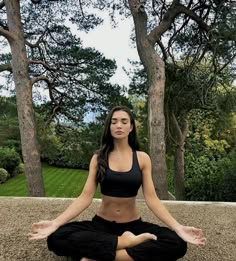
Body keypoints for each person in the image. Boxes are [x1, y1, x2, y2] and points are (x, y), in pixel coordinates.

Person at [28, 106, 206, 261]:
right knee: (57, 237)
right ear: (109, 127)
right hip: (101, 225)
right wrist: (55, 223)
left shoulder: (142, 159)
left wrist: (178, 227)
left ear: (131, 127)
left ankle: (99, 255)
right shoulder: (98, 158)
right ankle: (125, 244)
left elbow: (152, 199)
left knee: (177, 243)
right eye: (114, 122)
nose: (118, 125)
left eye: (123, 121)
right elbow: (85, 197)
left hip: (134, 226)